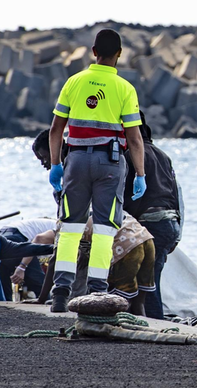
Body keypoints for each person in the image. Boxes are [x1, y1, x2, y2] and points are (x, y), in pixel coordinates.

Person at [47, 28, 147, 312]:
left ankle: (60, 294)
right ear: (119, 54)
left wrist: (56, 165)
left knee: (70, 228)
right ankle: (97, 293)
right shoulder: (124, 88)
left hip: (75, 160)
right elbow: (135, 138)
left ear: (93, 51)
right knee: (104, 230)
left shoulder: (73, 82)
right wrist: (140, 174)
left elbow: (56, 129)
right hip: (110, 163)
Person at [123, 111, 182, 319]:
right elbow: (177, 193)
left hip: (152, 224)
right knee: (150, 279)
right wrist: (178, 229)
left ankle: (156, 324)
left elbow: (130, 199)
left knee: (147, 283)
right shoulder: (162, 155)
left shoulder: (131, 155)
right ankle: (153, 320)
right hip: (170, 224)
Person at [0, 219, 56, 300]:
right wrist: (22, 266)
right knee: (40, 286)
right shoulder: (61, 229)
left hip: (3, 237)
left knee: (5, 294)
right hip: (15, 239)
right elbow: (39, 239)